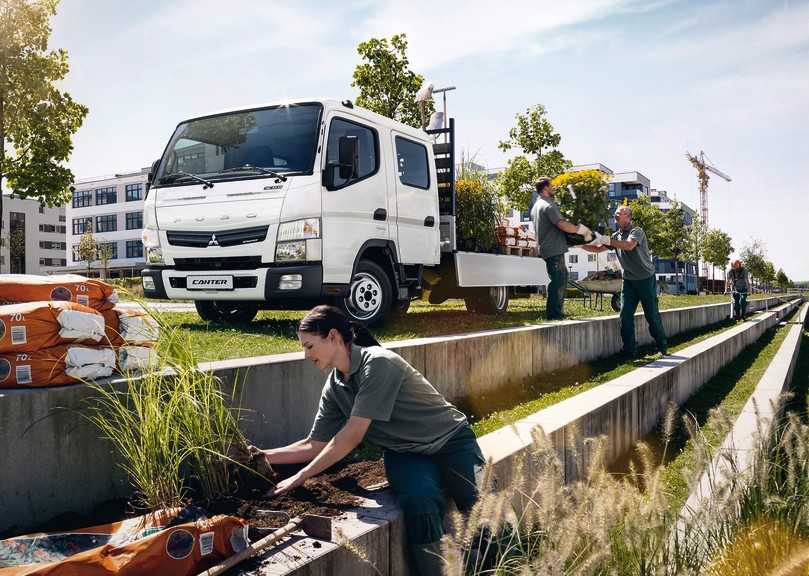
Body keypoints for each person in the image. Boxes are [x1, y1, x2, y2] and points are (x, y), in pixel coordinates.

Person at [240, 305, 485, 576]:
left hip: (450, 440)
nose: (306, 355)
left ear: (333, 336)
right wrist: (259, 455)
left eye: (309, 346)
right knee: (419, 501)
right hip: (405, 453)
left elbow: (352, 435)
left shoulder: (378, 363)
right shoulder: (335, 387)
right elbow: (315, 444)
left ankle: (505, 562)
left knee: (476, 501)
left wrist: (301, 476)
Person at [584, 205, 668, 356]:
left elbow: (629, 245)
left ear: (628, 217)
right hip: (629, 281)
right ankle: (629, 349)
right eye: (615, 214)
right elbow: (597, 249)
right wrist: (578, 244)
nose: (615, 215)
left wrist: (607, 240)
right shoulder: (616, 236)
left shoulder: (637, 231)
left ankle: (662, 346)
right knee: (625, 315)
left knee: (652, 315)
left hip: (645, 279)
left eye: (619, 213)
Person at [531, 177, 593, 320]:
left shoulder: (536, 205)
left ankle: (555, 312)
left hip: (547, 247)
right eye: (551, 186)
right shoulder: (548, 205)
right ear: (545, 188)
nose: (554, 188)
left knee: (559, 278)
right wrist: (579, 230)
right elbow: (561, 224)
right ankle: (554, 314)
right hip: (554, 248)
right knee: (558, 280)